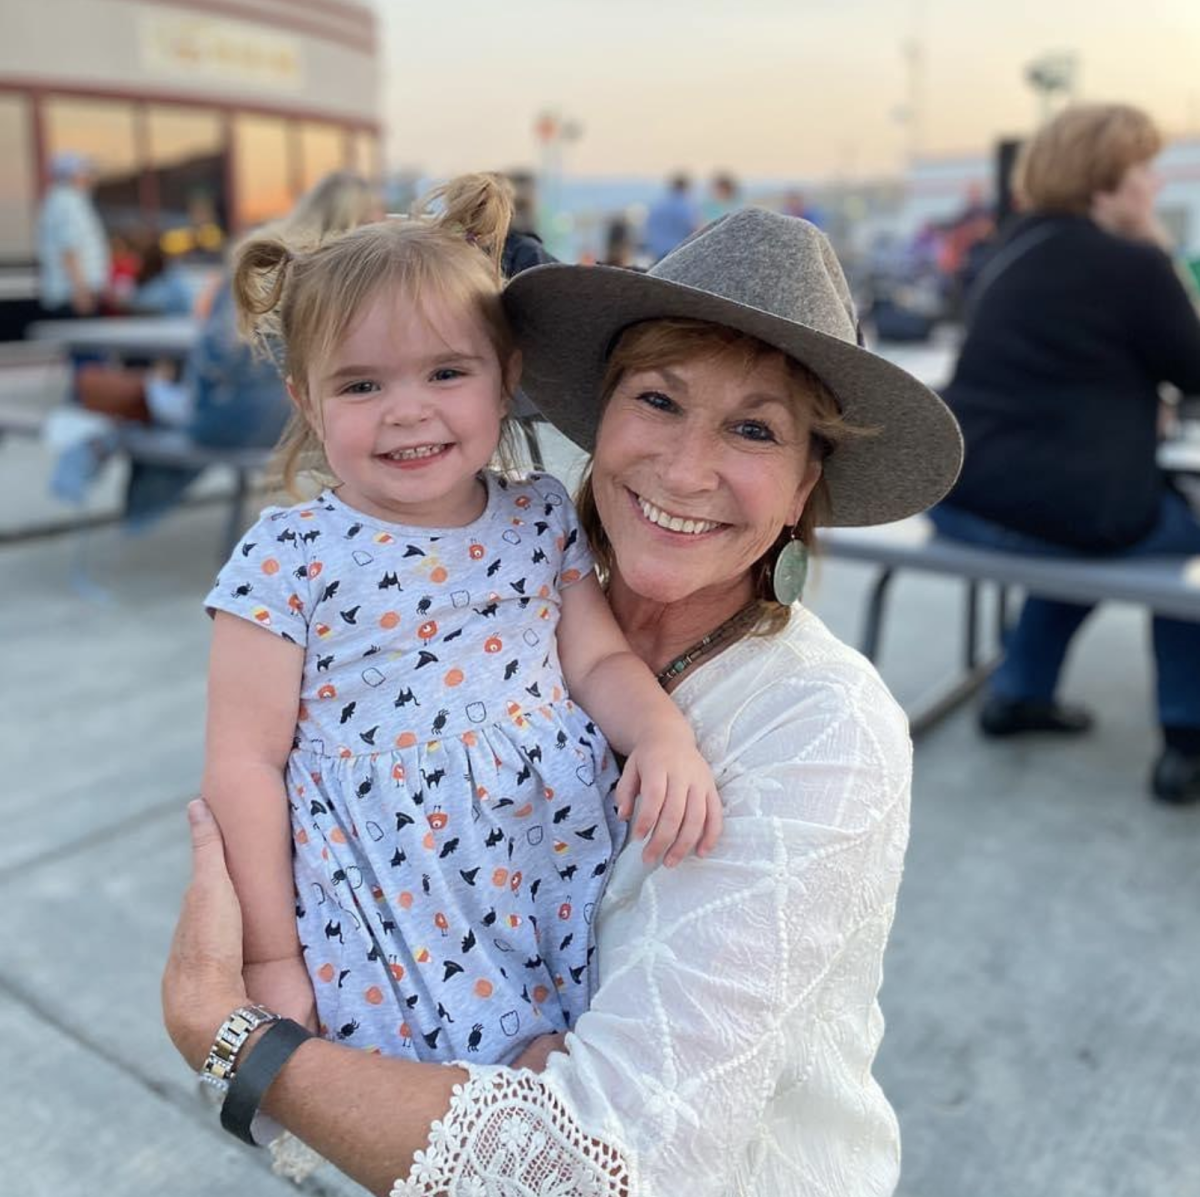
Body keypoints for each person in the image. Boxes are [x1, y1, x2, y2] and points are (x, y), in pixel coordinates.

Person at [163, 208, 963, 1195]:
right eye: (659, 401)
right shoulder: (497, 589)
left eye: (755, 429)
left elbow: (611, 1168)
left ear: (805, 487)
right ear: (601, 413)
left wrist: (230, 1039)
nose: (684, 467)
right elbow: (265, 765)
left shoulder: (823, 730)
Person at [204, 172, 720, 1070]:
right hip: (395, 893)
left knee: (578, 1080)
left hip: (550, 856)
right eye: (362, 385)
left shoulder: (539, 514)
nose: (409, 410)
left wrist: (662, 736)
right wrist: (270, 953)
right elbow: (245, 760)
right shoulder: (288, 554)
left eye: (446, 372)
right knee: (439, 1107)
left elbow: (597, 660)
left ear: (504, 379)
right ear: (306, 402)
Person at [929, 103, 1200, 805]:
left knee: (1076, 532)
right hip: (1057, 507)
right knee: (1178, 541)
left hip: (963, 499)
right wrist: (1159, 249)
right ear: (1104, 183)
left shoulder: (1009, 249)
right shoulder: (1132, 262)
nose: (1156, 184)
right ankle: (1186, 740)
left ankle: (1018, 693)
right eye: (1143, 169)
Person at [36, 151, 111, 318]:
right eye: (85, 171)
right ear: (72, 175)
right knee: (85, 341)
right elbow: (68, 250)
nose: (91, 176)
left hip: (76, 294)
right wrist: (80, 291)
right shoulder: (66, 203)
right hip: (74, 296)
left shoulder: (69, 201)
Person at [642, 173, 699, 262]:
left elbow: (648, 228)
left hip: (657, 251)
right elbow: (693, 229)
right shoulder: (685, 205)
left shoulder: (657, 205)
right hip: (677, 252)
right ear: (686, 188)